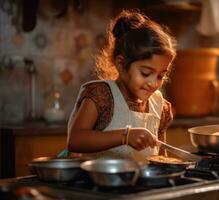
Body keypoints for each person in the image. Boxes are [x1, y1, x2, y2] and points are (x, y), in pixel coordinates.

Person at [59, 9, 176, 162]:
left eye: (161, 75)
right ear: (121, 65)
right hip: (97, 183)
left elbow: (160, 158)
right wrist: (125, 136)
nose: (154, 83)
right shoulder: (101, 95)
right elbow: (75, 140)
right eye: (146, 73)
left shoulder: (160, 107)